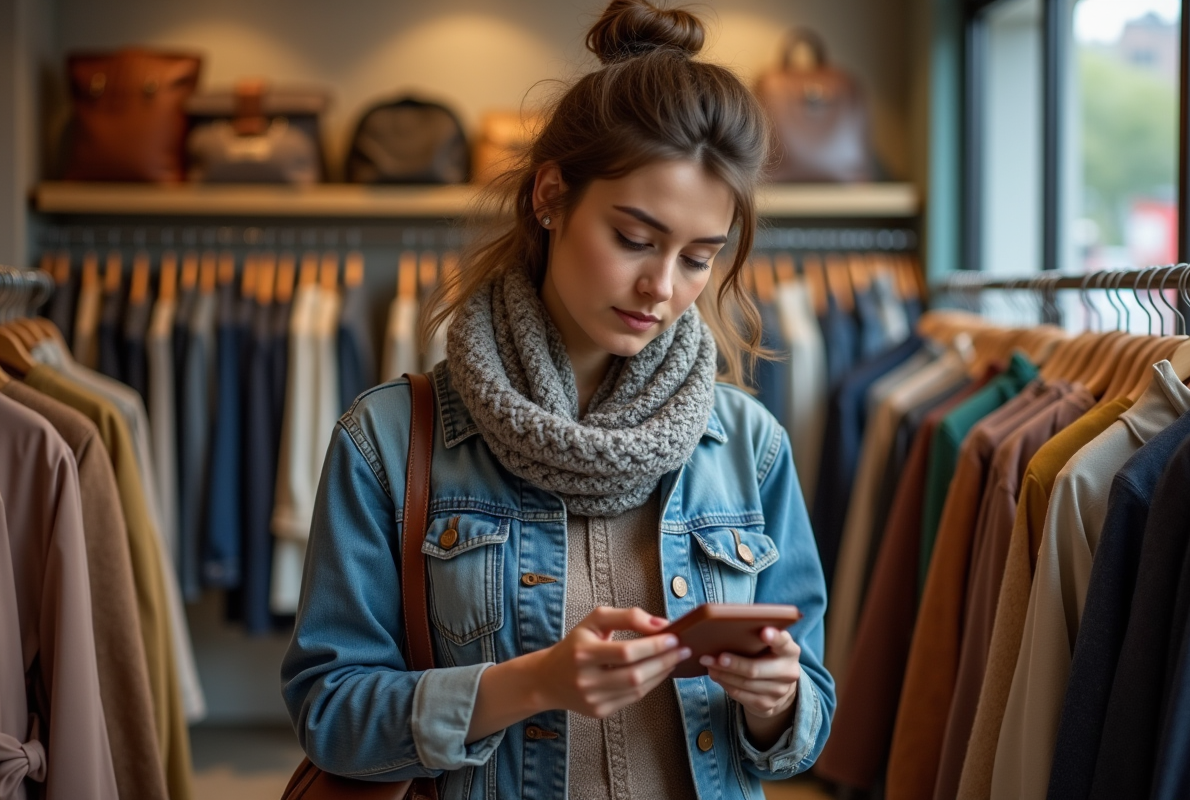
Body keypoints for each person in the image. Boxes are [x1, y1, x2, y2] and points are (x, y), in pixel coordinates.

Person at [281, 1, 835, 797]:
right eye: (635, 239)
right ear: (550, 196)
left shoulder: (748, 444)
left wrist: (778, 702)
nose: (662, 286)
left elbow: (806, 719)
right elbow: (328, 712)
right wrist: (533, 684)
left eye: (697, 258)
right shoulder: (389, 438)